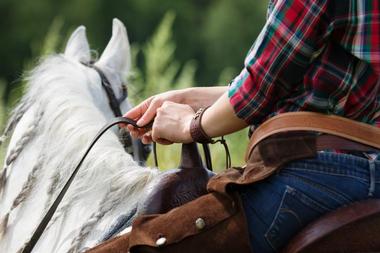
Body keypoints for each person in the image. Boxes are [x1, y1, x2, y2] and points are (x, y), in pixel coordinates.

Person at [123, 0, 380, 252]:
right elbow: (285, 86)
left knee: (145, 244)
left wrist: (190, 125)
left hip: (313, 169)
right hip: (366, 169)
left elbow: (258, 89)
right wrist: (188, 98)